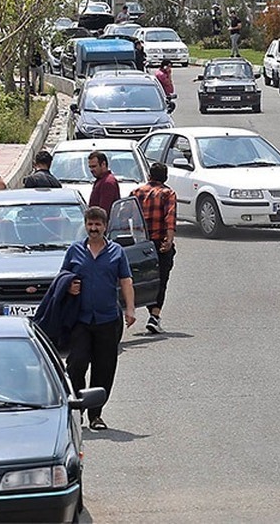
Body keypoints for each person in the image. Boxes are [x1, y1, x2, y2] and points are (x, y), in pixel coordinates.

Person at [60, 206, 136, 431]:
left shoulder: (116, 252)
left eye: (98, 225)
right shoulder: (74, 251)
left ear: (106, 227)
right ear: (85, 225)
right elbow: (63, 278)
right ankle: (77, 411)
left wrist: (130, 309)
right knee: (77, 364)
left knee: (104, 368)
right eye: (90, 224)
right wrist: (69, 287)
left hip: (107, 320)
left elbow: (126, 281)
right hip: (81, 320)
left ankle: (96, 415)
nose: (94, 229)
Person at [131, 163, 177, 335]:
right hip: (159, 244)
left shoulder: (136, 193)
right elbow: (170, 218)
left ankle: (133, 308)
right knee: (161, 279)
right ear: (165, 177)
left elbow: (125, 215)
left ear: (150, 175)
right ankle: (154, 316)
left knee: (139, 278)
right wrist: (169, 241)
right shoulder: (167, 193)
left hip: (140, 244)